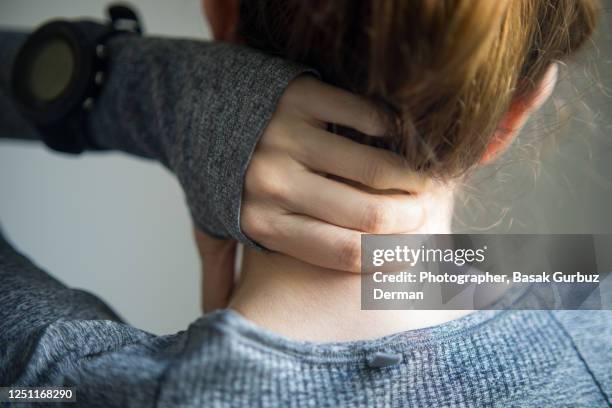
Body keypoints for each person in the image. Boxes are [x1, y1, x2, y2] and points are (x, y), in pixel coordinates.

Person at [1, 1, 611, 408]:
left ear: (220, 17)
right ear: (516, 111)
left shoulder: (50, 384)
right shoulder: (593, 326)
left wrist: (158, 91)